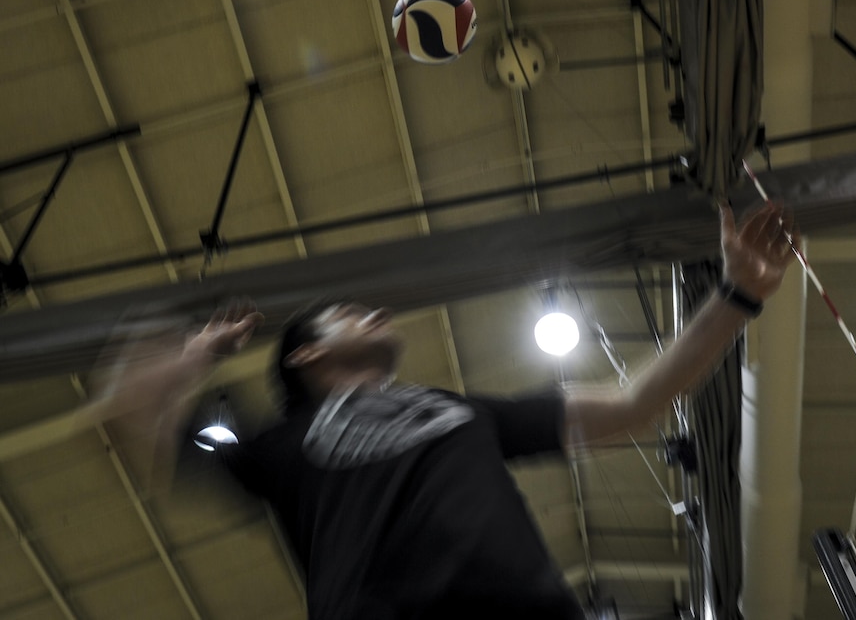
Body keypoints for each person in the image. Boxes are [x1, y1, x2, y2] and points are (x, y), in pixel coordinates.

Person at [99, 201, 797, 619]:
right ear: (307, 357)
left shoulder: (464, 411)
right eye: (350, 313)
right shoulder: (279, 442)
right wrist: (198, 350)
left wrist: (738, 296)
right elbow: (131, 408)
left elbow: (633, 404)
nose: (375, 311)